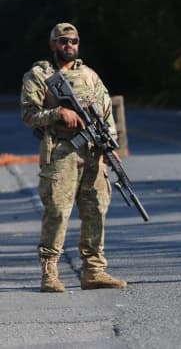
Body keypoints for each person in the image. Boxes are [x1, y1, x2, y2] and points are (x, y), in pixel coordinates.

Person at [20, 22, 127, 292]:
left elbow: (105, 113)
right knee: (57, 212)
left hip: (92, 153)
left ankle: (94, 271)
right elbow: (29, 115)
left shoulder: (90, 76)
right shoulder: (39, 75)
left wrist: (110, 144)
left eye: (74, 41)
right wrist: (58, 114)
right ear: (53, 45)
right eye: (64, 41)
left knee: (96, 210)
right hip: (60, 153)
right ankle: (50, 273)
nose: (69, 46)